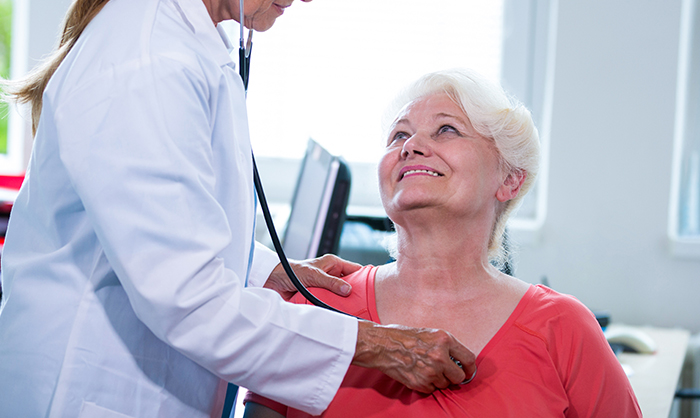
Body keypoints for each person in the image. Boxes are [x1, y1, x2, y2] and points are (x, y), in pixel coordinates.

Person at [0, 0, 475, 417]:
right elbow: (187, 298)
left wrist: (267, 269)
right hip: (85, 386)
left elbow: (169, 228)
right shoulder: (149, 59)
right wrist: (376, 344)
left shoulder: (189, 39)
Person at [244, 69, 642, 417]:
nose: (410, 145)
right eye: (399, 134)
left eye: (446, 129)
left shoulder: (564, 329)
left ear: (509, 179)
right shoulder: (315, 306)